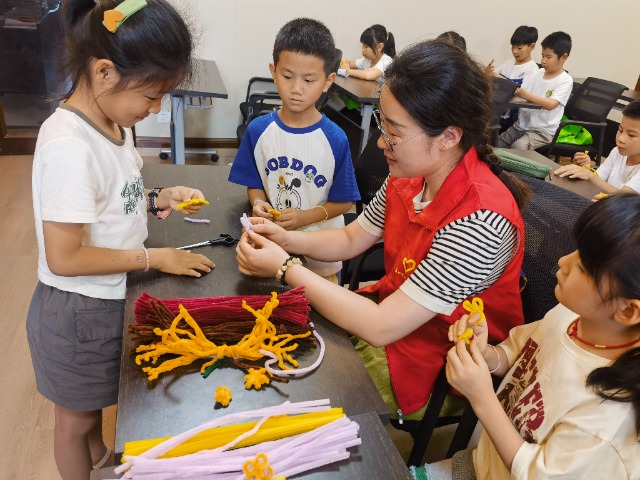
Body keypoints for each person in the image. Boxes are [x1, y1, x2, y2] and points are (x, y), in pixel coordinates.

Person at [236, 40, 533, 423]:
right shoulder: (410, 179)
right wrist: (286, 239)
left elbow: (380, 327)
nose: (381, 142)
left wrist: (284, 266)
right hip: (394, 324)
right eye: (382, 124)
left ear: (448, 136)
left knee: (298, 406)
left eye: (394, 130)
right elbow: (350, 238)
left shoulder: (482, 221)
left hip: (436, 368)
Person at [26, 1, 215, 479]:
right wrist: (155, 256)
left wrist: (157, 197)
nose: (154, 110)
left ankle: (101, 458)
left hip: (111, 294)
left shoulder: (114, 123)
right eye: (151, 97)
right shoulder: (69, 145)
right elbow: (65, 257)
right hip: (77, 309)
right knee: (74, 419)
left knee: (93, 407)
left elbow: (113, 198)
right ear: (105, 72)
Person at [411, 194, 640, 480]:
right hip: (483, 464)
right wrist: (486, 355)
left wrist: (481, 396)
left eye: (582, 267)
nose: (563, 261)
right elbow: (519, 352)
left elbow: (536, 474)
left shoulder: (608, 416)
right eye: (575, 250)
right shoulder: (571, 317)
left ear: (628, 311)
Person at [228, 18, 360, 283]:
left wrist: (305, 217)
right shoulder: (258, 130)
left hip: (321, 255)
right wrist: (258, 203)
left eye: (309, 80)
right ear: (273, 71)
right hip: (273, 250)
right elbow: (255, 183)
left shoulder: (335, 138)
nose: (296, 89)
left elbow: (345, 202)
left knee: (319, 314)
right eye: (287, 76)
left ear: (327, 82)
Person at [497, 31, 573, 150]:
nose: (543, 61)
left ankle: (510, 169)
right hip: (520, 126)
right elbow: (519, 95)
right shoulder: (537, 74)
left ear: (564, 57)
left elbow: (551, 104)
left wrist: (525, 95)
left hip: (542, 131)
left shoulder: (565, 80)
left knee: (518, 146)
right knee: (495, 144)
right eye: (542, 55)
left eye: (548, 57)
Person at [554, 100, 640, 201]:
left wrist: (590, 175)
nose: (621, 139)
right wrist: (587, 167)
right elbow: (598, 180)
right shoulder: (617, 152)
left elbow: (624, 197)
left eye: (631, 135)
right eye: (620, 130)